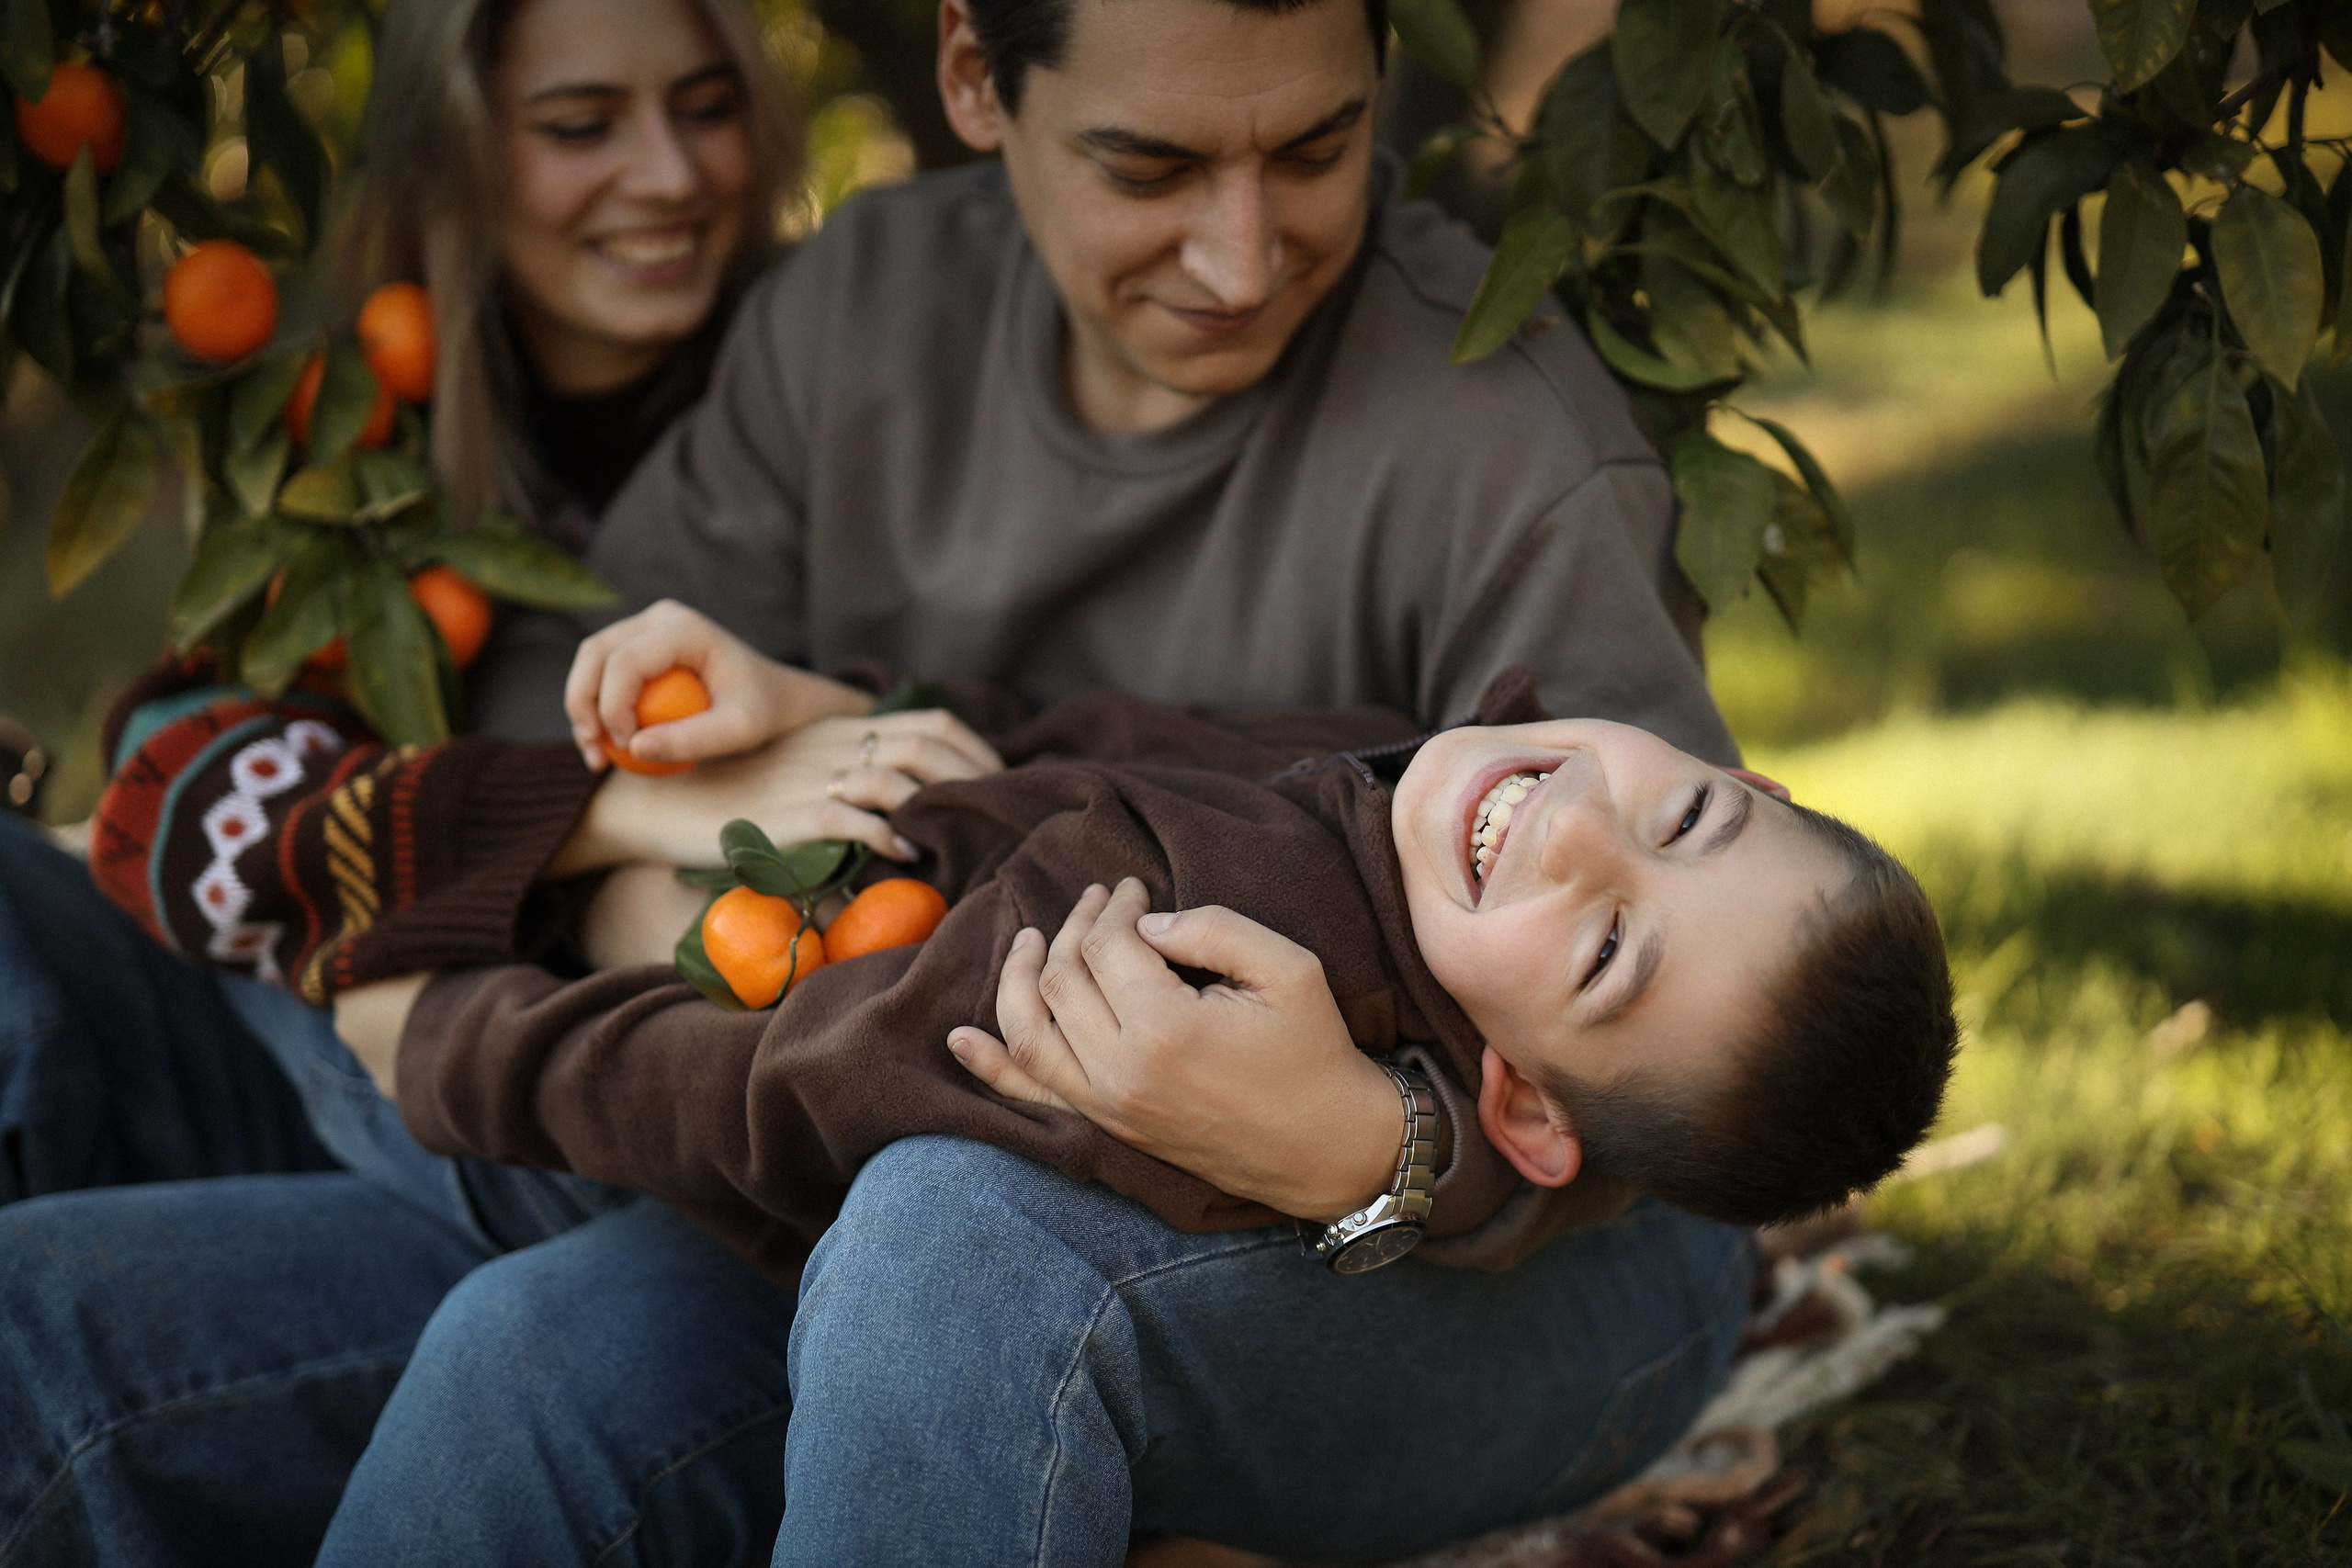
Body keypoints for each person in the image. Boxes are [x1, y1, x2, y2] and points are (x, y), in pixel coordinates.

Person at [11, 0, 1761, 1562]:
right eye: (1147, 165)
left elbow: (1686, 1040)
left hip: (1471, 1250)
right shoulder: (861, 308)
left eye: (1314, 151)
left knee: (865, 1254)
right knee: (186, 1348)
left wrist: (1386, 1146)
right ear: (973, 77)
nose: (1241, 256)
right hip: (803, 1163)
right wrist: (648, 862)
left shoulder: (1507, 443)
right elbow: (595, 712)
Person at [0, 0, 906, 1561]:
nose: (668, 172)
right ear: (460, 158)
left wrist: (386, 867)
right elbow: (175, 789)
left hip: (571, 1149)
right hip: (346, 1055)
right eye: (579, 127)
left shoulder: (816, 406)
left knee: (42, 1330)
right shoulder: (372, 440)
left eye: (705, 106)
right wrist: (592, 811)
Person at [368, 607, 1956, 1287]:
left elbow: (777, 1092)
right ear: (1742, 773)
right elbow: (1061, 753)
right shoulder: (1378, 786)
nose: (1579, 830)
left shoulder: (1189, 985)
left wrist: (446, 1035)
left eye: (1606, 954)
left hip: (564, 1068)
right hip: (717, 888)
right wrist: (827, 708)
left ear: (1527, 1109)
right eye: (1684, 821)